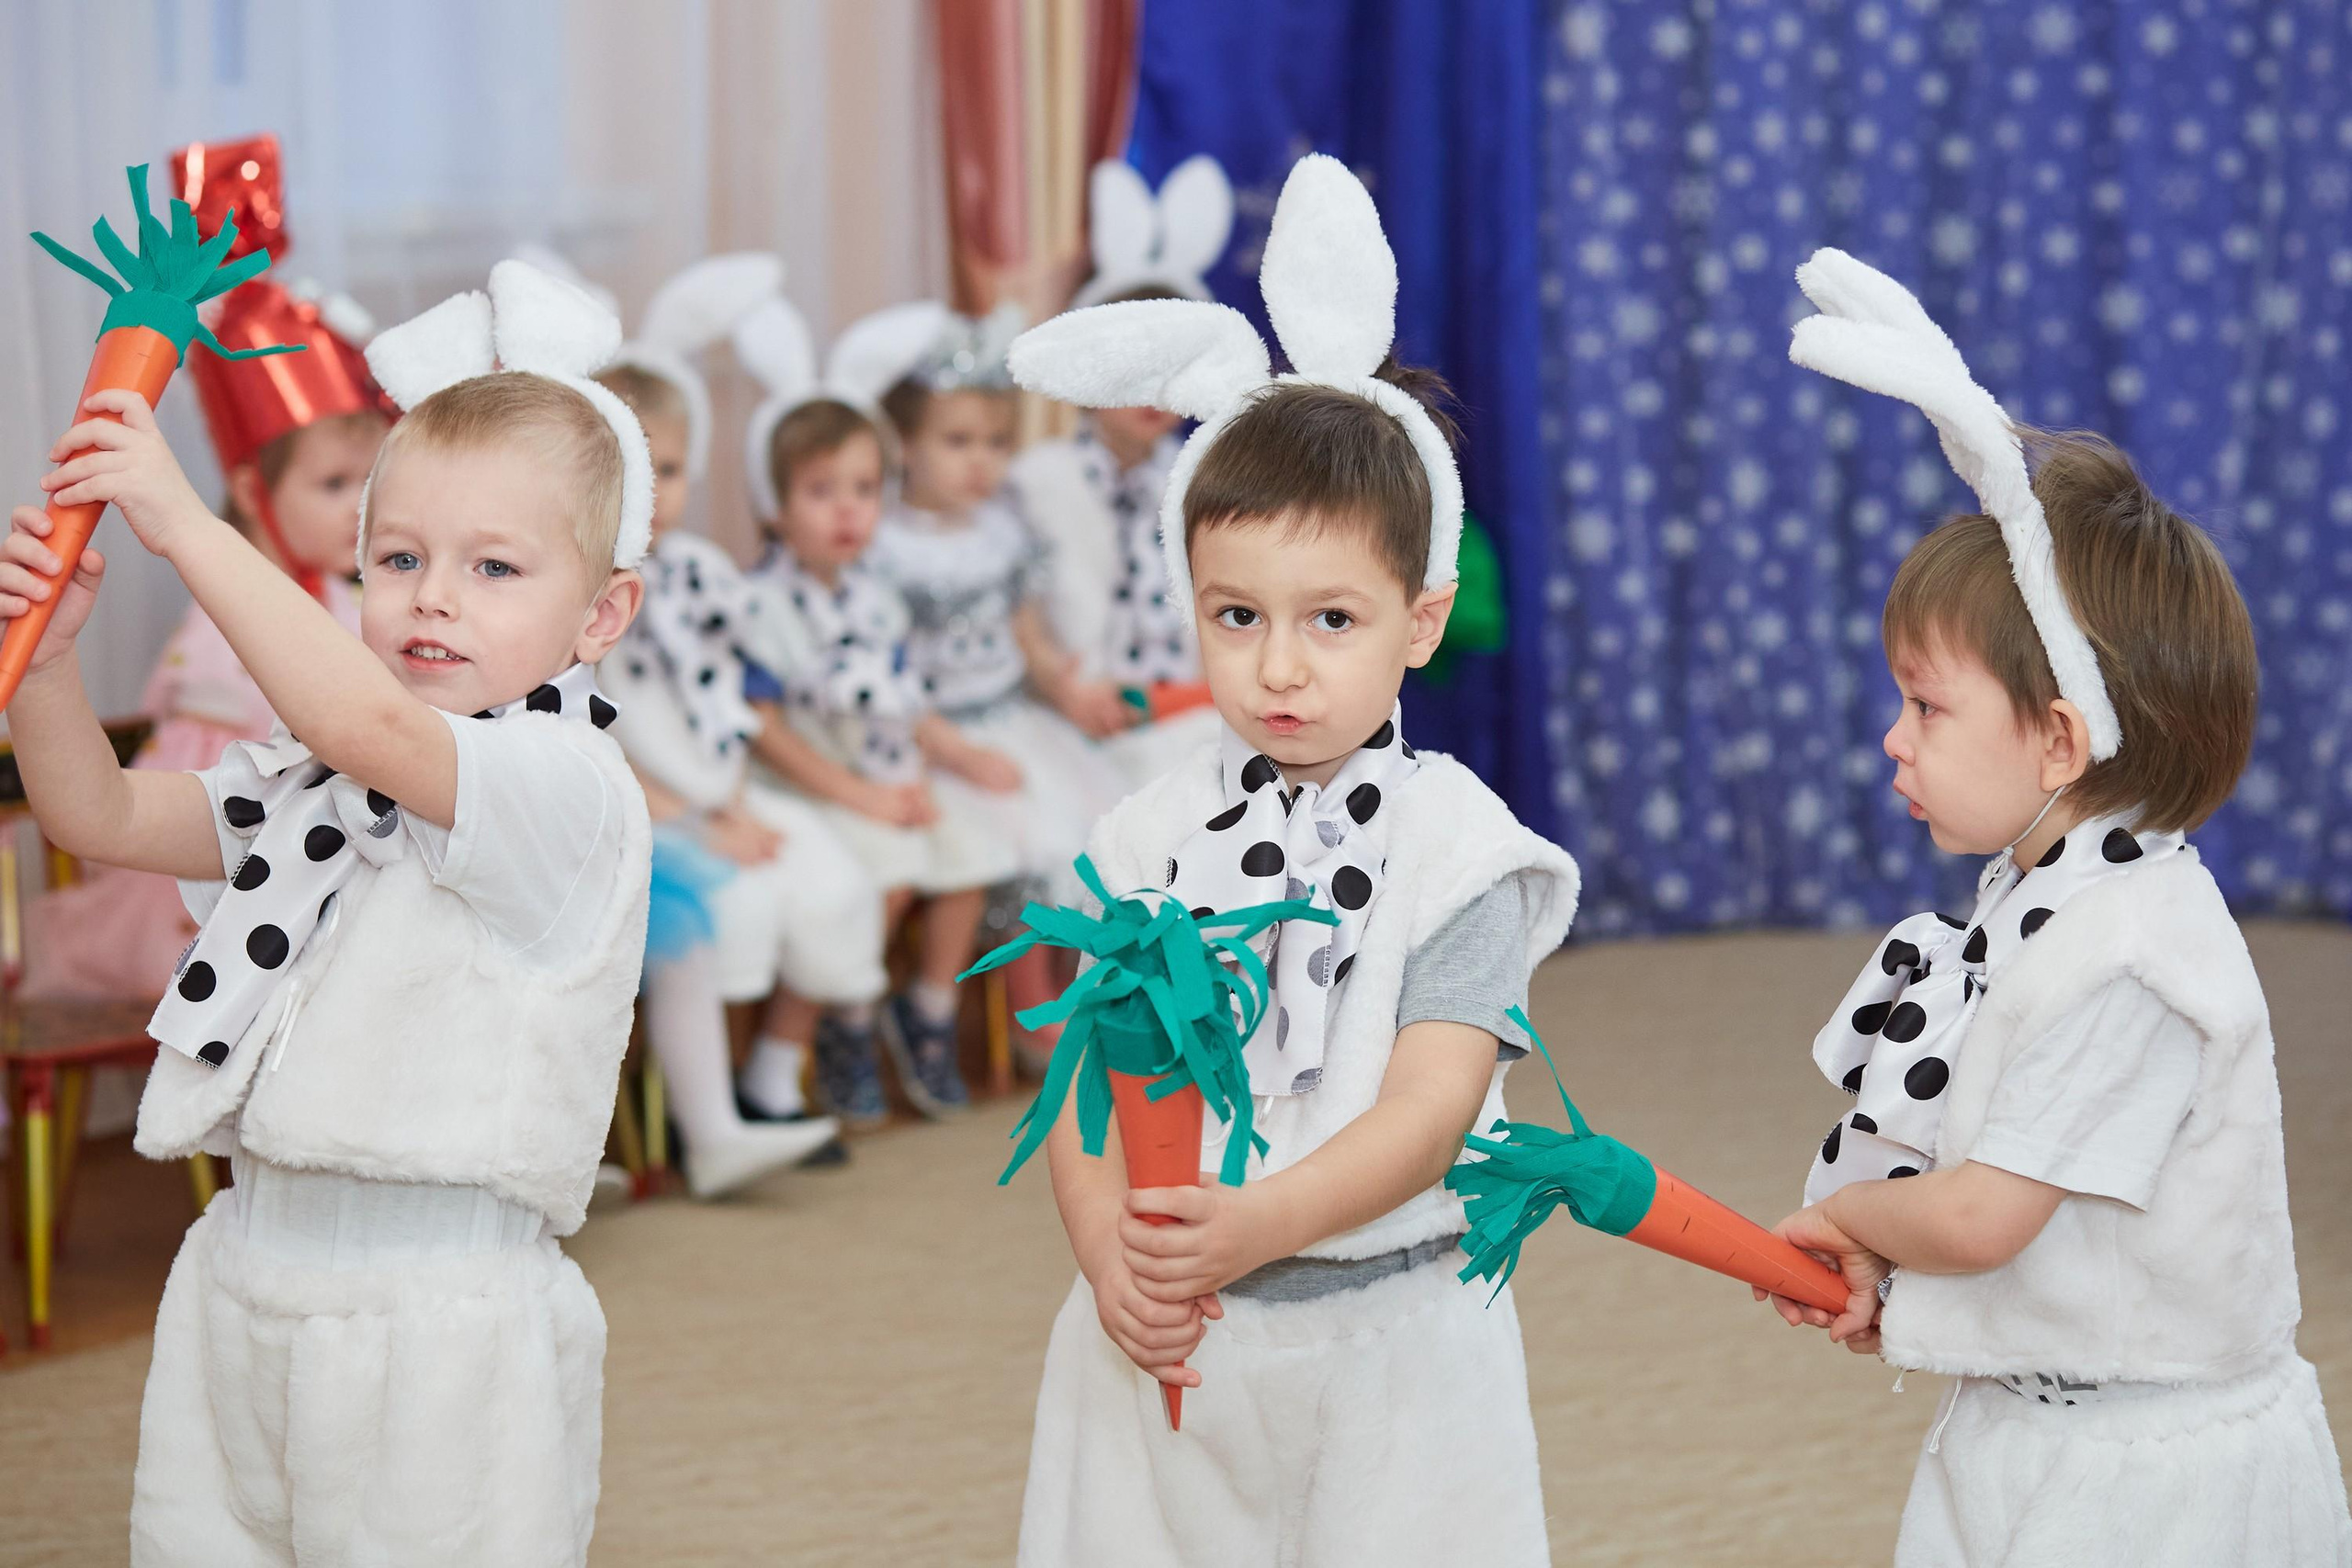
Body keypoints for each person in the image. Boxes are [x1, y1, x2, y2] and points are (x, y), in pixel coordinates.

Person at [2, 258, 654, 1566]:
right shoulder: (321, 784)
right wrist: (52, 665)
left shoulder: (562, 790)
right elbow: (106, 818)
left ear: (601, 614)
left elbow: (354, 714)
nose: (433, 595)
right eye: (398, 556)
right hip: (246, 1267)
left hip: (442, 1314)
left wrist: (185, 524)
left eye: (494, 566)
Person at [1003, 154, 1579, 1568]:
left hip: (1394, 1343)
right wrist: (1109, 1253)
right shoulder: (1139, 837)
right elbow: (1086, 1083)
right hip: (1171, 1329)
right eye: (1235, 614)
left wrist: (1249, 1220)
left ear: (1421, 618)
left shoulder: (1460, 850)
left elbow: (1434, 1108)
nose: (1277, 665)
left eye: (1332, 618)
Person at [1761, 249, 2351, 1567]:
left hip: (2152, 1486)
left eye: (1926, 705)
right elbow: (2002, 1196)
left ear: (2060, 739)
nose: (1892, 740)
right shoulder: (2038, 901)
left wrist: (1851, 1219)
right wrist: (1890, 1270)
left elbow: (1980, 1213)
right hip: (2029, 1421)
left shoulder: (2137, 958)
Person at [25, 135, 392, 1002]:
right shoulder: (224, 619)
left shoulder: (363, 599)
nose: (358, 508)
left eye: (369, 483)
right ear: (248, 488)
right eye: (333, 483)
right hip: (217, 870)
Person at [588, 251, 875, 1190]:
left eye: (668, 469)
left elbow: (727, 711)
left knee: (831, 876)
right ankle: (699, 1121)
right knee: (733, 906)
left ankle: (770, 1084)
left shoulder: (702, 573)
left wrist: (739, 803)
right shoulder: (581, 592)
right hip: (645, 811)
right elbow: (602, 740)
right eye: (630, 468)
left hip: (718, 794)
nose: (656, 491)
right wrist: (704, 820)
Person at [731, 298, 1018, 1121]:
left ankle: (917, 1014)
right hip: (806, 790)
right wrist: (863, 796)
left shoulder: (877, 594)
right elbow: (765, 728)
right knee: (880, 879)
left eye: (865, 488)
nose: (851, 510)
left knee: (967, 846)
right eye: (823, 491)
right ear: (773, 501)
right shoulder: (759, 605)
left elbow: (904, 703)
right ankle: (836, 1029)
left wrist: (940, 765)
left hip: (875, 779)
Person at [1011, 154, 1236, 785]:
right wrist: (1064, 686)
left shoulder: (1207, 479)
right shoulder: (1038, 480)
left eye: (1170, 372)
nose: (1150, 393)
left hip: (1193, 709)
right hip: (1077, 713)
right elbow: (1014, 609)